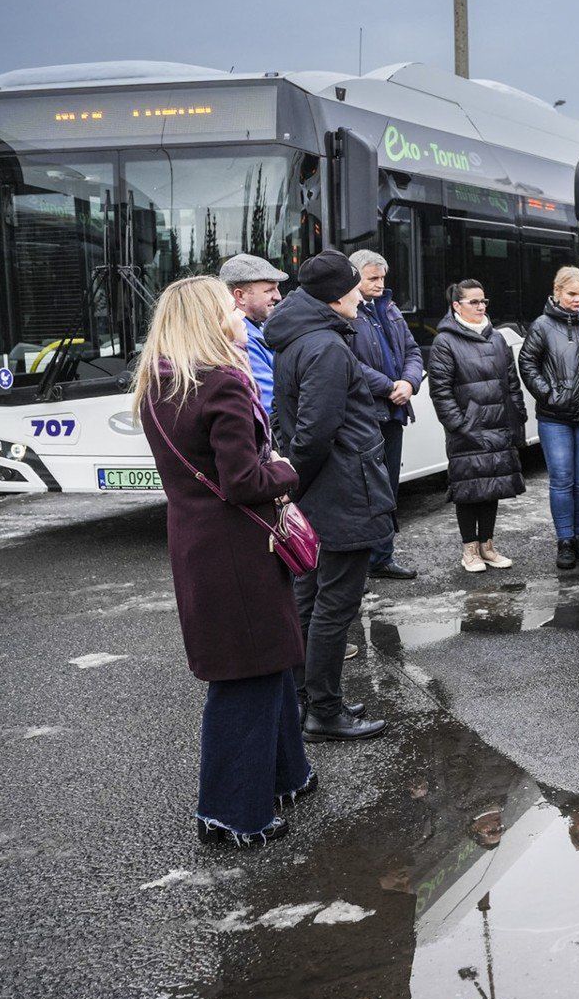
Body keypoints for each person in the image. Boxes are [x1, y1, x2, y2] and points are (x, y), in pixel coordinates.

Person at [136, 276, 310, 845]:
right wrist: (286, 470)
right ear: (212, 319)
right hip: (241, 547)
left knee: (268, 662)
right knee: (249, 675)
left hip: (198, 544)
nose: (240, 310)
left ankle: (290, 775)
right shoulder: (223, 385)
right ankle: (234, 813)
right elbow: (244, 481)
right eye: (228, 305)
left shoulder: (160, 385)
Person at [263, 250, 394, 743]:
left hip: (323, 488)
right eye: (357, 287)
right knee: (334, 604)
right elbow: (318, 430)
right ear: (338, 295)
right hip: (342, 489)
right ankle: (325, 710)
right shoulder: (328, 347)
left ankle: (304, 697)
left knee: (311, 597)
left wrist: (294, 475)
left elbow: (282, 415)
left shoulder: (298, 339)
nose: (363, 295)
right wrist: (300, 475)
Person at [426, 280, 526, 574]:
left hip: (498, 425)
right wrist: (459, 425)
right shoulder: (445, 341)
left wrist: (516, 416)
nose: (481, 307)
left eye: (484, 301)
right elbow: (440, 391)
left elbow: (511, 383)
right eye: (474, 302)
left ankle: (488, 546)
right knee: (469, 489)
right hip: (468, 429)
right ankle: (469, 550)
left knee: (492, 486)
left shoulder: (496, 338)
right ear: (457, 306)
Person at [346, 250, 425, 582]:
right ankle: (360, 567)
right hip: (367, 413)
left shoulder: (389, 309)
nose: (379, 284)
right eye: (372, 278)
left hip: (393, 412)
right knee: (365, 491)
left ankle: (382, 556)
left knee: (389, 488)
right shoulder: (347, 312)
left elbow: (412, 350)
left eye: (382, 278)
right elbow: (349, 362)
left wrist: (409, 382)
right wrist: (389, 384)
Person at [520, 266, 579, 571]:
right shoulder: (542, 325)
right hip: (554, 416)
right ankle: (564, 539)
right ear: (557, 292)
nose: (578, 299)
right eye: (572, 294)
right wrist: (546, 393)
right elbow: (527, 361)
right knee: (562, 479)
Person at [220, 254, 288, 413]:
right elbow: (270, 404)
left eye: (277, 288)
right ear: (240, 296)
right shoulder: (242, 341)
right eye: (269, 290)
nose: (277, 296)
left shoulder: (258, 328)